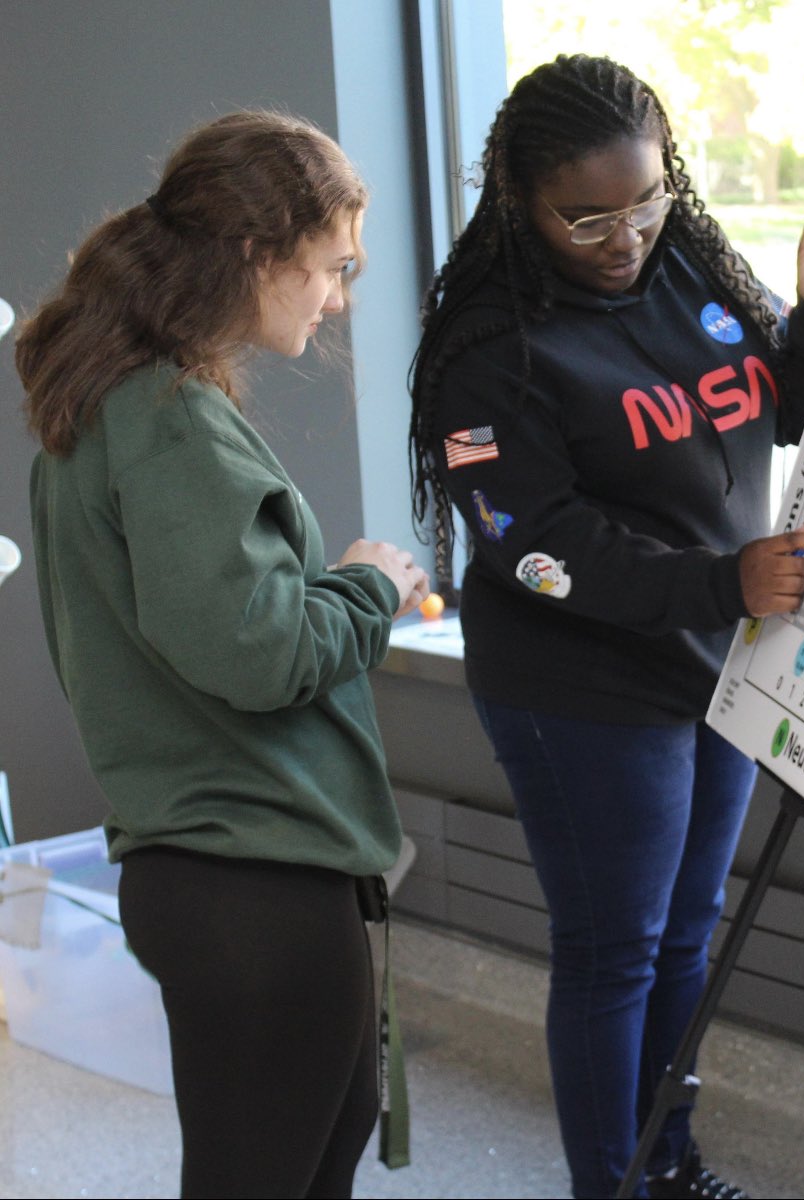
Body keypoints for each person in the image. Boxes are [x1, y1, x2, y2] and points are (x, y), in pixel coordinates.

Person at [408, 53, 804, 1200]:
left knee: (685, 938)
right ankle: (610, 1185)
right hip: (583, 690)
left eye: (649, 199)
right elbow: (540, 547)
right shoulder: (487, 350)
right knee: (615, 954)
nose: (625, 237)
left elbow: (782, 411)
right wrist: (724, 585)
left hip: (713, 664)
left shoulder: (687, 268)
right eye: (588, 218)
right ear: (519, 201)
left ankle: (669, 1162)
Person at [16, 110, 429, 1199]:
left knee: (311, 1148)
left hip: (227, 871)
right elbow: (260, 652)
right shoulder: (168, 417)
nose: (338, 298)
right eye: (333, 268)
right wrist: (371, 586)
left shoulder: (111, 395)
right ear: (258, 252)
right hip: (253, 886)